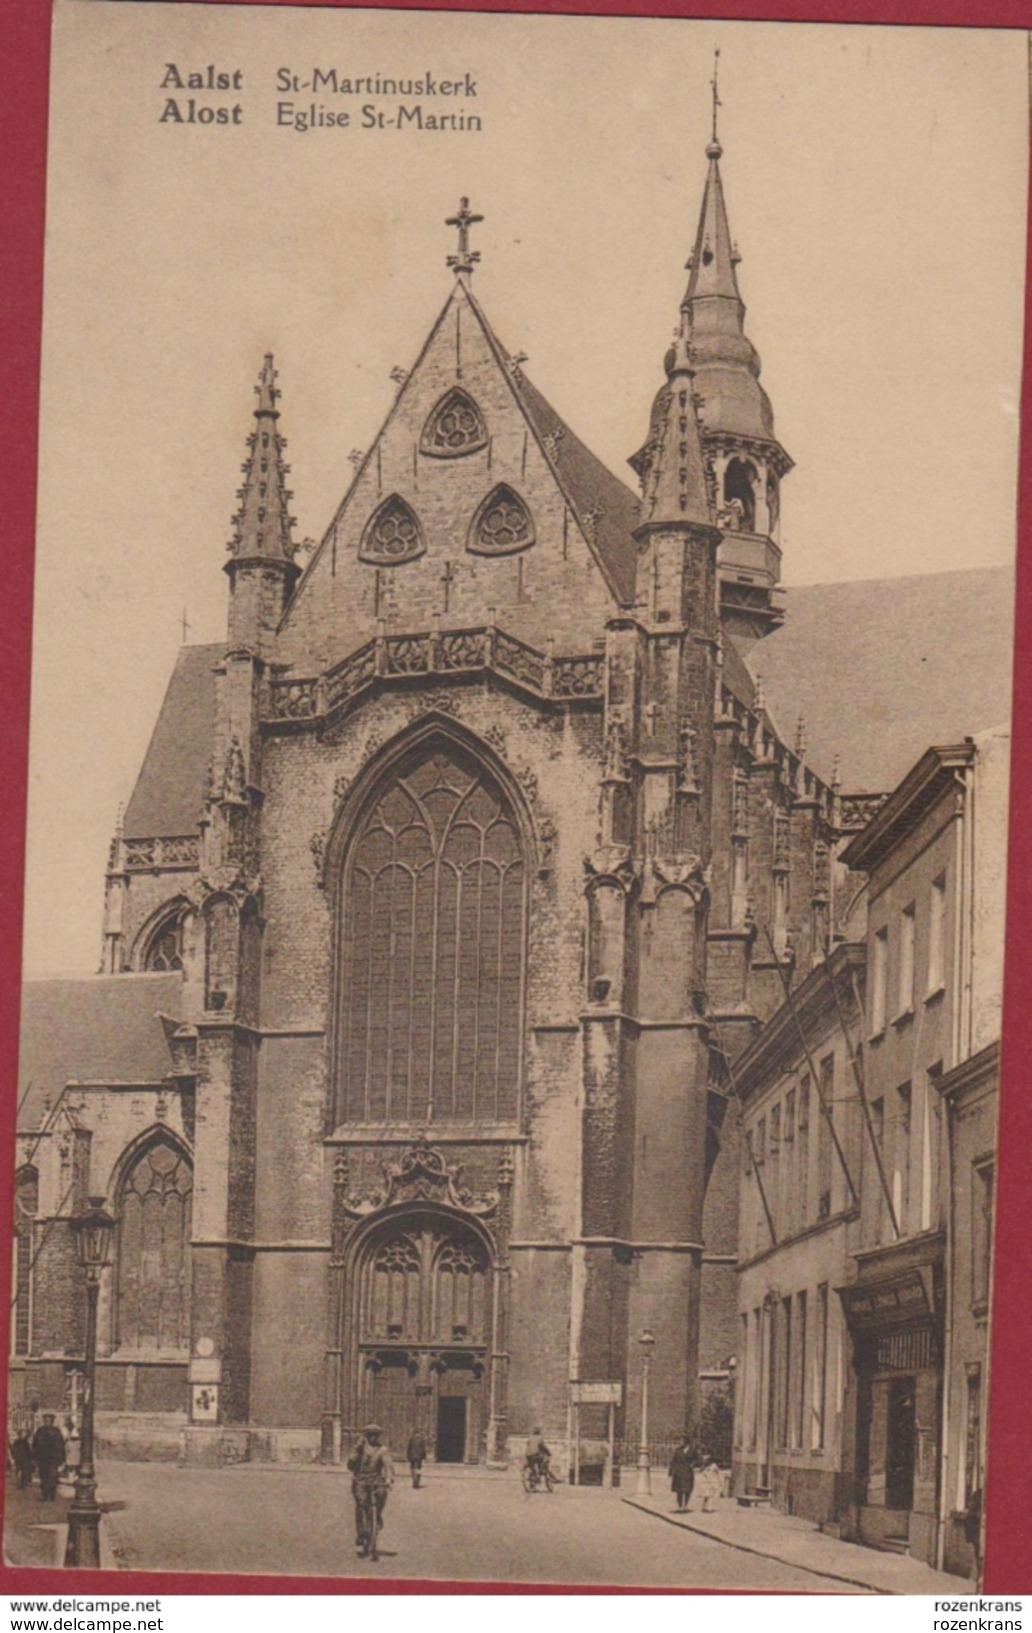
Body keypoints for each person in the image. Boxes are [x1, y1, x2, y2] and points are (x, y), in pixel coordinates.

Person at [347, 1423, 394, 1557]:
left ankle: (377, 1516)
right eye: (370, 1435)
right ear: (366, 1436)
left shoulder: (382, 1450)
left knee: (382, 1493)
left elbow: (388, 1466)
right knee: (361, 1504)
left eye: (376, 1435)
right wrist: (357, 1448)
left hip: (376, 1479)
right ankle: (361, 1533)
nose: (373, 1438)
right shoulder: (360, 1449)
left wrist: (389, 1479)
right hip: (360, 1479)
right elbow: (350, 1465)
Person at [31, 1414, 65, 1502]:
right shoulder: (56, 1431)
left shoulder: (40, 1431)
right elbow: (61, 1446)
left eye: (48, 1420)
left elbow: (34, 1445)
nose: (47, 1422)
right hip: (51, 1458)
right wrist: (61, 1458)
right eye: (47, 1420)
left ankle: (46, 1495)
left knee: (45, 1477)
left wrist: (34, 1458)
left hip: (44, 1458)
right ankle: (50, 1495)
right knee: (51, 1477)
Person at [668, 1435, 696, 1513]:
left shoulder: (692, 1450)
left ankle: (685, 1505)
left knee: (688, 1490)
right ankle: (680, 1506)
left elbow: (698, 1459)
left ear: (686, 1442)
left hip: (688, 1472)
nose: (680, 1442)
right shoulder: (678, 1451)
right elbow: (673, 1461)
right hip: (678, 1472)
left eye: (682, 1441)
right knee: (679, 1490)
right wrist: (671, 1471)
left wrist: (693, 1465)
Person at [964, 1485, 983, 1583]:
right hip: (978, 1534)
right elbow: (970, 1517)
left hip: (978, 1534)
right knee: (980, 1558)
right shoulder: (979, 1495)